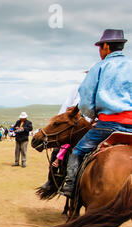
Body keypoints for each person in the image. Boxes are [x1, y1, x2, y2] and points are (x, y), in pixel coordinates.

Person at [61, 29, 132, 198]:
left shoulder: (100, 66)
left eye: (100, 47)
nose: (100, 51)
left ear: (106, 47)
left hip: (108, 125)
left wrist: (91, 115)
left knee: (78, 151)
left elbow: (85, 97)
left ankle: (70, 186)